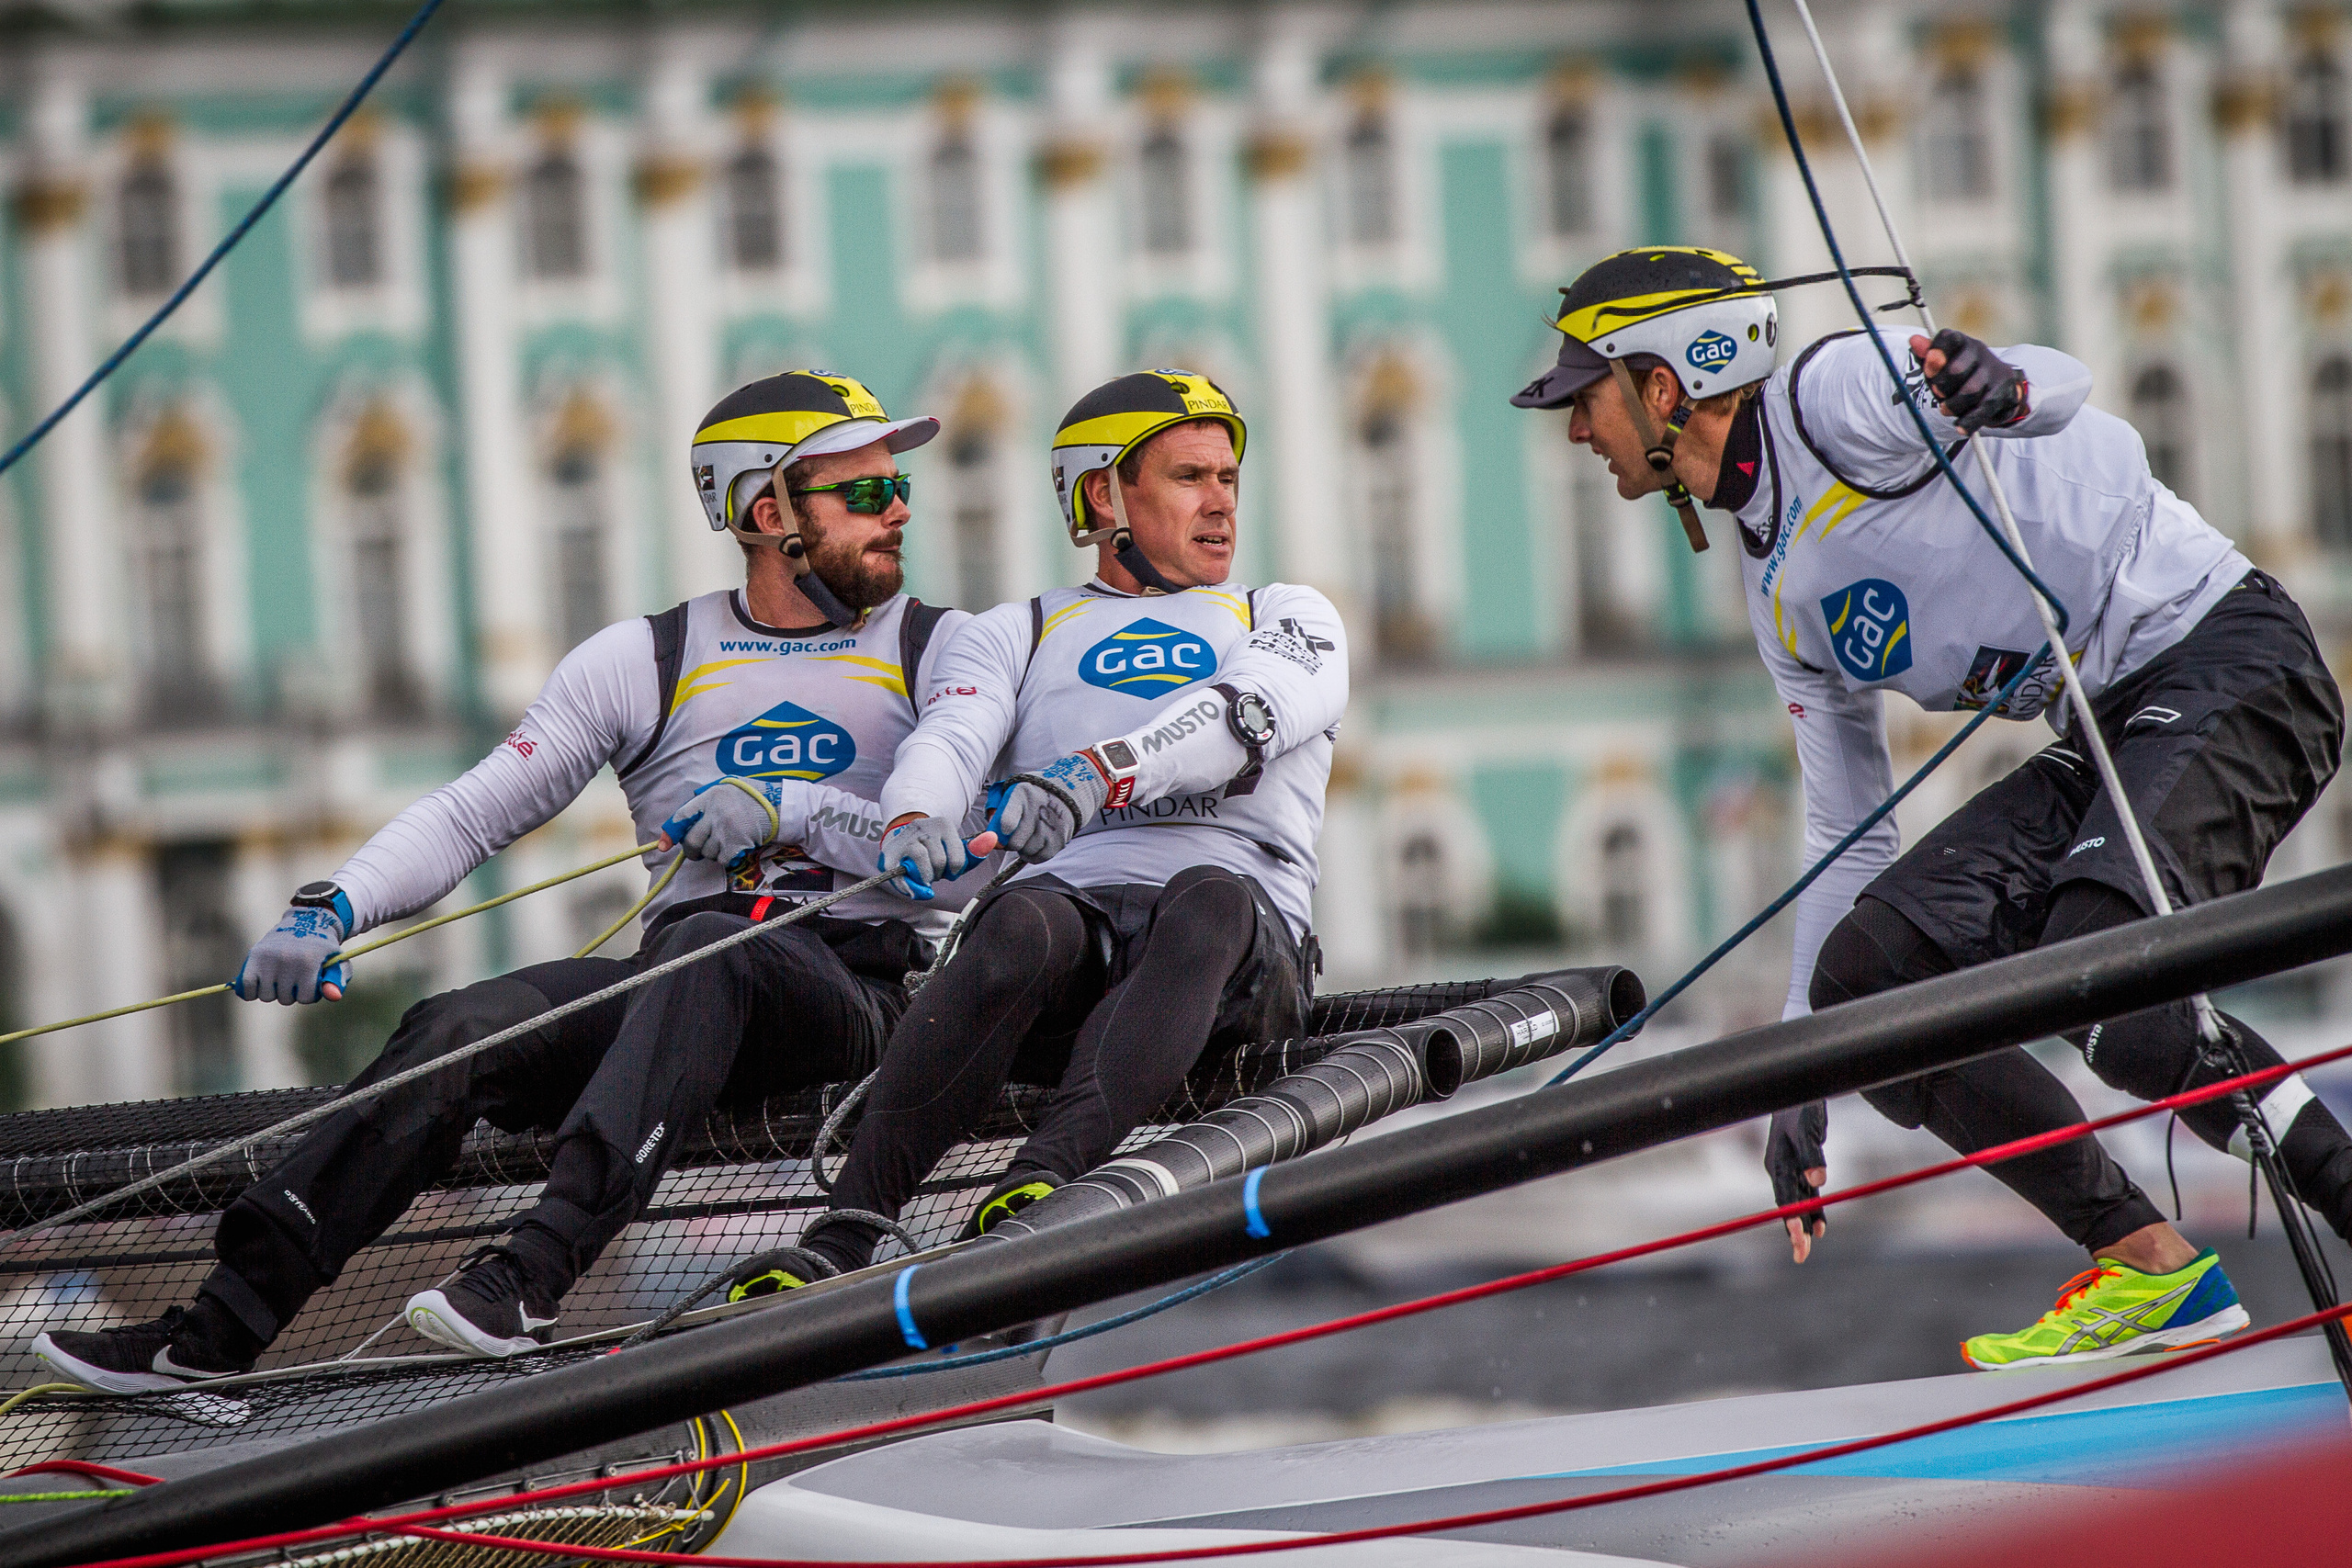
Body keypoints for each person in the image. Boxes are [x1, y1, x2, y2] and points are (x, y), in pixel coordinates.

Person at [34, 371, 993, 1390]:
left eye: (899, 490)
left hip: (850, 989)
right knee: (452, 1029)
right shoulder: (645, 659)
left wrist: (789, 807)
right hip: (673, 992)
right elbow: (475, 810)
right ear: (768, 513)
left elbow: (956, 859)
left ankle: (531, 1275)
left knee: (704, 954)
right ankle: (217, 1333)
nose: (898, 512)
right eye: (865, 493)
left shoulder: (942, 646)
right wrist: (330, 908)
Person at [1515, 246, 2352, 1369]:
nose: (1576, 430)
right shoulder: (1774, 596)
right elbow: (1845, 837)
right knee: (1868, 982)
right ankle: (2151, 1269)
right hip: (2106, 729)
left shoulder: (1827, 401)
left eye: (1585, 397)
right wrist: (1801, 1076)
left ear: (1662, 387)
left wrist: (1992, 387)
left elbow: (2055, 384)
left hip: (2232, 661)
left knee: (2113, 988)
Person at [751, 369, 1347, 1288]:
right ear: (1104, 495)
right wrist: (915, 815)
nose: (1221, 501)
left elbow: (1244, 710)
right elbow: (951, 736)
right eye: (1190, 477)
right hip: (1072, 958)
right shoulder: (1012, 632)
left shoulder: (1285, 613)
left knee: (1205, 899)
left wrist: (1095, 774)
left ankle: (1045, 1186)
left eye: (1229, 477)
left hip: (1233, 958)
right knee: (1022, 917)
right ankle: (841, 1236)